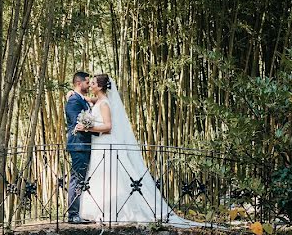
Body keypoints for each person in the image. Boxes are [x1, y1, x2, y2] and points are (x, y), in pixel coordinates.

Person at [75, 74, 198, 226]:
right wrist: (77, 95)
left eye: (92, 83)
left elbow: (108, 126)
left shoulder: (105, 103)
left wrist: (88, 127)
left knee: (112, 176)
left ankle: (114, 210)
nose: (90, 85)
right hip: (99, 144)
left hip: (105, 142)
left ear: (100, 87)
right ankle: (101, 210)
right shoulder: (100, 100)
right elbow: (91, 100)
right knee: (101, 175)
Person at [65, 71, 97, 224]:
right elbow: (76, 121)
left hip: (84, 144)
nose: (89, 85)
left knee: (80, 179)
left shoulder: (82, 99)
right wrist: (89, 125)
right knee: (76, 179)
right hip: (78, 144)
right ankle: (73, 215)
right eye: (87, 82)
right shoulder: (73, 100)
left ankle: (78, 212)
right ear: (79, 83)